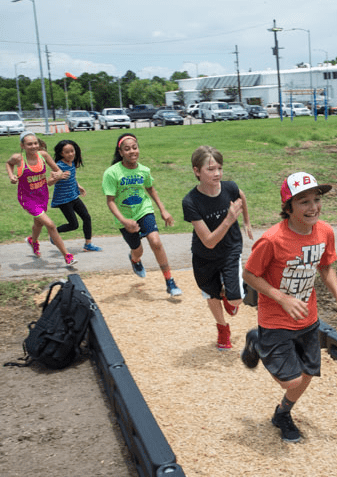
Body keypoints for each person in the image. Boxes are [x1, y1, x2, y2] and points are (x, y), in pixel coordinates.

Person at [241, 171, 337, 443]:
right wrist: (281, 297)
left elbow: (325, 266)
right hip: (275, 320)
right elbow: (249, 275)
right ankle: (258, 342)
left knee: (307, 374)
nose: (313, 207)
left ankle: (282, 413)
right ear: (288, 207)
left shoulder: (325, 231)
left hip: (308, 317)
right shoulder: (272, 240)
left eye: (316, 199)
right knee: (290, 381)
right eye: (303, 201)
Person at [182, 145, 253, 349]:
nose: (217, 174)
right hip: (204, 255)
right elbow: (209, 241)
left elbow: (242, 196)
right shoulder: (190, 201)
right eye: (210, 169)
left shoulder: (229, 188)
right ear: (196, 171)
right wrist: (230, 219)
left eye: (219, 168)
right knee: (210, 294)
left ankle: (228, 294)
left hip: (230, 249)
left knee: (237, 300)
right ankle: (223, 330)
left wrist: (246, 222)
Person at [102, 132, 182, 296]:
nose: (132, 152)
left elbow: (150, 188)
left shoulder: (144, 170)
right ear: (121, 152)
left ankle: (169, 281)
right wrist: (124, 220)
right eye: (127, 149)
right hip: (125, 217)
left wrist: (163, 210)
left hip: (143, 210)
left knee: (156, 241)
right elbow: (110, 200)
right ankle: (135, 260)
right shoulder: (112, 173)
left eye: (135, 148)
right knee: (138, 251)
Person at [5, 131, 78, 266]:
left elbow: (58, 171)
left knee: (38, 223)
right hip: (27, 198)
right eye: (29, 144)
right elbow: (8, 164)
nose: (33, 146)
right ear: (22, 145)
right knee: (50, 224)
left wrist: (56, 176)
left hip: (42, 195)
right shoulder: (18, 158)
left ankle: (33, 241)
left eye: (35, 143)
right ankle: (67, 256)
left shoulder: (43, 155)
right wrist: (11, 176)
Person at [49, 139, 102, 252]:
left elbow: (72, 177)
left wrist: (78, 186)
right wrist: (58, 177)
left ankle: (88, 244)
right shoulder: (58, 166)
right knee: (73, 225)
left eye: (72, 151)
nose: (71, 154)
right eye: (67, 152)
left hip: (74, 196)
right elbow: (49, 183)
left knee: (87, 217)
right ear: (61, 153)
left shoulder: (72, 162)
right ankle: (54, 232)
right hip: (63, 200)